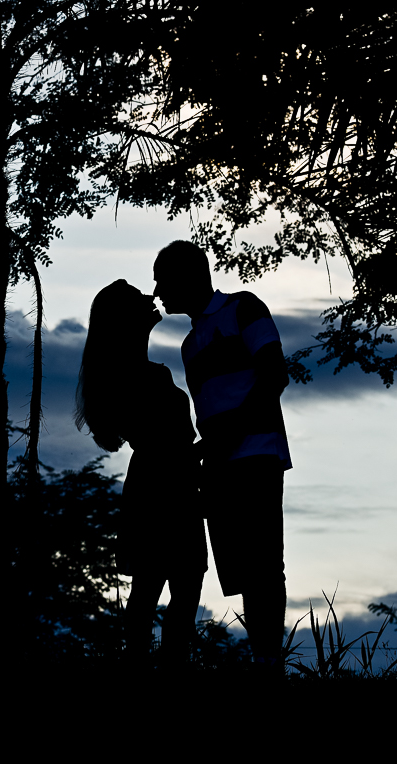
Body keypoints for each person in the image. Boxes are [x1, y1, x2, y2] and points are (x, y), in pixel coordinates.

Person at [152, 240, 291, 669]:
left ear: (188, 277)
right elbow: (211, 415)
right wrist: (208, 452)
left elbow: (274, 375)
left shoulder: (243, 308)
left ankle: (269, 663)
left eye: (163, 281)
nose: (157, 292)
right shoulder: (190, 345)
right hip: (219, 465)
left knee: (263, 564)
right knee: (244, 570)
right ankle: (263, 661)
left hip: (256, 454)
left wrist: (223, 440)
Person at [74, 279, 207, 662]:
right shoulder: (137, 377)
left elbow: (169, 445)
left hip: (163, 483)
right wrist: (212, 444)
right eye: (138, 299)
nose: (150, 298)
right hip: (164, 485)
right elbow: (168, 445)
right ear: (125, 319)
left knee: (159, 590)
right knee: (168, 589)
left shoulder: (131, 375)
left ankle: (149, 665)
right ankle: (159, 665)